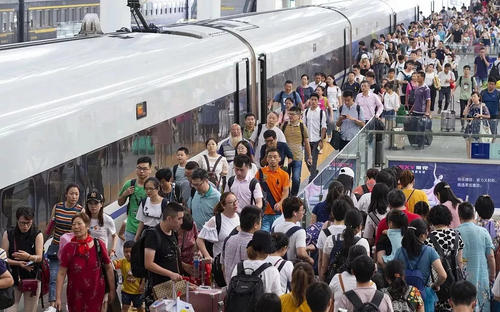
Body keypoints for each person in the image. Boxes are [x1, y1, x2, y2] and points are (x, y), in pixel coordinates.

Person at [56, 213, 115, 312]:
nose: (76, 227)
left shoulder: (98, 244)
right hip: (75, 295)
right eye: (74, 224)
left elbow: (108, 267)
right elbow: (61, 273)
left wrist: (112, 290)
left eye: (79, 224)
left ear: (87, 226)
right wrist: (57, 297)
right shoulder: (68, 248)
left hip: (96, 293)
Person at [393, 219, 447, 308]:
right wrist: (435, 285)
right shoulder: (430, 251)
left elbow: (393, 273)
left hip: (403, 295)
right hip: (424, 295)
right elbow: (443, 275)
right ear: (422, 235)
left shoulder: (400, 251)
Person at [46, 183, 83, 307]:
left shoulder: (80, 210)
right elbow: (51, 226)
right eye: (72, 193)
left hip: (72, 249)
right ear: (66, 194)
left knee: (73, 279)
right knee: (54, 277)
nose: (74, 196)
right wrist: (42, 240)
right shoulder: (57, 207)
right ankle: (52, 305)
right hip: (56, 247)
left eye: (77, 194)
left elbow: (82, 231)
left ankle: (71, 304)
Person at [143, 201, 184, 307]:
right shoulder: (153, 235)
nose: (181, 222)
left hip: (173, 288)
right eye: (179, 219)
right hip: (158, 290)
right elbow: (148, 264)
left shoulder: (173, 233)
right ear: (169, 219)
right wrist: (170, 274)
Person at [2, 207, 43, 312]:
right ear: (17, 220)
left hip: (32, 277)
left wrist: (28, 257)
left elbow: (39, 257)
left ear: (32, 221)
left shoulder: (37, 234)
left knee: (30, 309)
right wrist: (19, 263)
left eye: (28, 223)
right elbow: (3, 258)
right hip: (13, 277)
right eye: (22, 223)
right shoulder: (9, 234)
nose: (25, 226)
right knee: (10, 309)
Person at [425, 204, 464, 311]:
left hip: (438, 283)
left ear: (432, 219)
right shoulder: (456, 235)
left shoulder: (429, 238)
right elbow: (460, 261)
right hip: (455, 281)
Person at [458, 201, 496, 311]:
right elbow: (491, 257)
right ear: (473, 214)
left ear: (459, 216)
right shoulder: (483, 232)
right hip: (482, 278)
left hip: (462, 281)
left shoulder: (455, 232)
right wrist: (492, 277)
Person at [230, 230, 282, 295]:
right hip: (262, 304)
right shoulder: (271, 270)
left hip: (238, 304)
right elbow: (278, 296)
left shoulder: (238, 266)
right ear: (266, 252)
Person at [223, 205, 262, 284]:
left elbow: (223, 266)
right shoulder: (256, 243)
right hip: (249, 292)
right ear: (255, 224)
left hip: (231, 289)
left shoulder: (229, 240)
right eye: (261, 220)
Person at [196, 192, 240, 261]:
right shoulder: (215, 220)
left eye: (236, 201)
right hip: (221, 261)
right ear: (223, 205)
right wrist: (207, 256)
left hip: (236, 261)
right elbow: (199, 239)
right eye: (231, 202)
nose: (235, 204)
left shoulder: (240, 217)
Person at [255, 148, 290, 232]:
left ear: (279, 159)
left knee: (277, 235)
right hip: (264, 212)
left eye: (275, 157)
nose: (272, 159)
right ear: (267, 159)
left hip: (277, 212)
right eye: (270, 157)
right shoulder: (260, 173)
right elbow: (255, 189)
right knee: (264, 235)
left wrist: (280, 203)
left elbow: (285, 192)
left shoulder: (284, 175)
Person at [118, 157, 151, 242]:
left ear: (150, 170)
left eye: (144, 169)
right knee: (131, 253)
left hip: (148, 228)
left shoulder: (153, 186)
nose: (141, 171)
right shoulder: (129, 184)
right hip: (131, 228)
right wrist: (125, 194)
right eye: (139, 168)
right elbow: (120, 203)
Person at [282, 106, 312, 196]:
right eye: (289, 114)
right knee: (285, 178)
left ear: (299, 116)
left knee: (296, 178)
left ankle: (294, 195)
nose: (290, 116)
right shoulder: (284, 125)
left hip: (297, 157)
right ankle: (287, 195)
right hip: (286, 158)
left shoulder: (303, 127)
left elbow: (306, 142)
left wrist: (309, 156)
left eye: (292, 114)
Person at [273, 197, 313, 264]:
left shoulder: (275, 227)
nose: (303, 213)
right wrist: (310, 259)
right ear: (295, 213)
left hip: (275, 265)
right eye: (302, 210)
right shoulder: (300, 231)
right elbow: (301, 253)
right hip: (290, 267)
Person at [317, 199, 348, 281]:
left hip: (331, 277)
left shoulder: (325, 233)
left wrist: (321, 280)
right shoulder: (350, 232)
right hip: (348, 275)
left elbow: (321, 261)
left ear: (332, 213)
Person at [113, 241, 144, 312]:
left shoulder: (139, 262)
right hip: (126, 291)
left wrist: (142, 284)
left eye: (131, 252)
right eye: (126, 252)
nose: (128, 254)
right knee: (124, 308)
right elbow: (113, 263)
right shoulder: (122, 262)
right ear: (123, 252)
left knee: (140, 308)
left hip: (138, 292)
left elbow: (145, 274)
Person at [303, 93, 327, 182]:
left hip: (317, 140)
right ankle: (314, 173)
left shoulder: (321, 113)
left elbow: (324, 127)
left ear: (318, 101)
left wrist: (321, 140)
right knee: (306, 159)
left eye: (315, 100)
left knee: (314, 160)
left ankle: (311, 180)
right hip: (308, 140)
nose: (313, 101)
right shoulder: (306, 112)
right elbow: (304, 126)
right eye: (311, 99)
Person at [85, 190, 117, 255]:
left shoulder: (107, 219)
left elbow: (115, 236)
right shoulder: (84, 219)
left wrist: (113, 250)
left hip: (102, 254)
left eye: (96, 203)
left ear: (101, 204)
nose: (93, 206)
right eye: (90, 203)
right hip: (87, 253)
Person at [458, 65, 476, 131]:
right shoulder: (460, 78)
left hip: (470, 98)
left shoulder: (472, 78)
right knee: (462, 111)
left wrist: (475, 96)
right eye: (465, 69)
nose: (466, 70)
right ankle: (462, 126)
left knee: (470, 112)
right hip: (462, 97)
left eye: (468, 69)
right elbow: (455, 85)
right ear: (463, 70)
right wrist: (452, 92)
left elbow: (475, 87)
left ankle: (469, 125)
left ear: (469, 71)